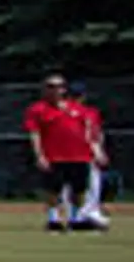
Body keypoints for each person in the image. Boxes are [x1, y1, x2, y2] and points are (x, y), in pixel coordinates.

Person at [25, 73, 95, 233]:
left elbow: (88, 131)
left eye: (59, 86)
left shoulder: (78, 109)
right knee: (52, 190)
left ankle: (76, 219)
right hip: (54, 156)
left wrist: (94, 151)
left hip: (79, 155)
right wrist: (39, 155)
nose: (55, 90)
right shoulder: (37, 110)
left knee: (79, 190)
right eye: (51, 86)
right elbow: (34, 133)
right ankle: (53, 219)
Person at [68, 82, 111, 231]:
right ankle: (88, 214)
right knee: (92, 184)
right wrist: (99, 152)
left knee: (73, 186)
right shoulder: (89, 112)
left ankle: (79, 215)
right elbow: (93, 135)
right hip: (85, 153)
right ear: (84, 96)